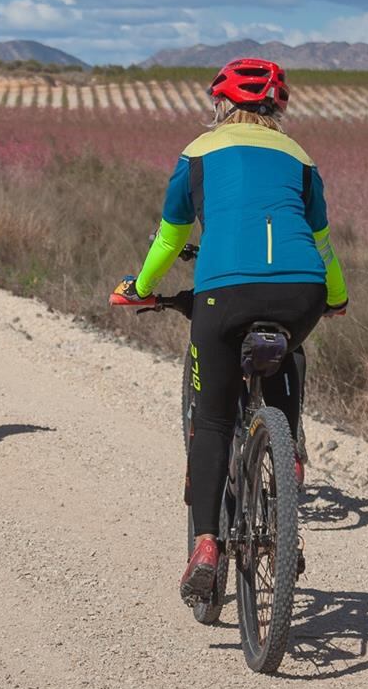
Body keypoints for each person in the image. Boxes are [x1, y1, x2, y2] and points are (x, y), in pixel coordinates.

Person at [110, 58, 347, 605]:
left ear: (221, 104)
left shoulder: (198, 153)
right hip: (301, 292)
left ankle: (207, 547)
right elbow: (324, 245)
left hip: (224, 292)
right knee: (285, 350)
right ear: (278, 108)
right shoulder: (302, 159)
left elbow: (170, 239)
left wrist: (142, 287)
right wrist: (336, 298)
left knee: (214, 419)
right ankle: (285, 469)